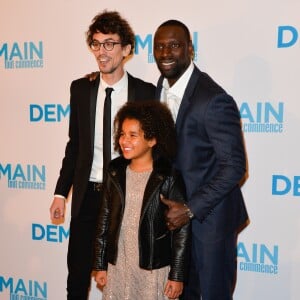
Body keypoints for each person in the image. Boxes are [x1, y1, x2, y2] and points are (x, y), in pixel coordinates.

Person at [49, 11, 156, 300]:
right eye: (96, 44)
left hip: (126, 197)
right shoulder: (81, 89)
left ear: (127, 49)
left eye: (109, 44)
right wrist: (61, 193)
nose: (102, 51)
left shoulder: (145, 92)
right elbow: (75, 145)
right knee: (77, 277)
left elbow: (153, 150)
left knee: (125, 276)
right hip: (88, 196)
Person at [153, 20, 249, 300]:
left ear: (190, 49)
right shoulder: (157, 89)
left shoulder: (213, 99)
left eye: (174, 45)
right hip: (174, 223)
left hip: (210, 223)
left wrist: (191, 209)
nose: (166, 53)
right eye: (159, 46)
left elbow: (235, 167)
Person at [93, 101, 190, 300]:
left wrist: (177, 275)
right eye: (122, 134)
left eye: (133, 135)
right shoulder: (115, 171)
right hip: (118, 264)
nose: (124, 140)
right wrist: (100, 263)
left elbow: (181, 231)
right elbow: (104, 218)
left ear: (152, 139)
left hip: (152, 267)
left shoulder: (168, 176)